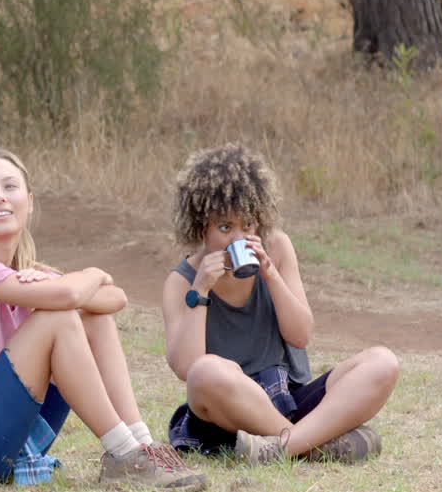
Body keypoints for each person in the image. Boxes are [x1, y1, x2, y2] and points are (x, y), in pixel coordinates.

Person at [0, 148, 207, 492]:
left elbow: (115, 299)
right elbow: (70, 296)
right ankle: (123, 453)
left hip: (4, 432)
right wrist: (94, 273)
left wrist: (69, 286)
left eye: (10, 186)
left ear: (30, 202)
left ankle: (142, 445)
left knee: (92, 318)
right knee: (60, 317)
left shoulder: (26, 274)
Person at [162, 143, 400, 464]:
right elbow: (186, 369)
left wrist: (271, 274)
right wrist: (201, 288)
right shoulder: (182, 282)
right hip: (228, 411)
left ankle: (283, 448)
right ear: (200, 225)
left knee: (382, 362)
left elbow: (300, 336)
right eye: (225, 227)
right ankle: (315, 445)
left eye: (248, 226)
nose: (238, 238)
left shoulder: (277, 247)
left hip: (287, 399)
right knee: (206, 372)